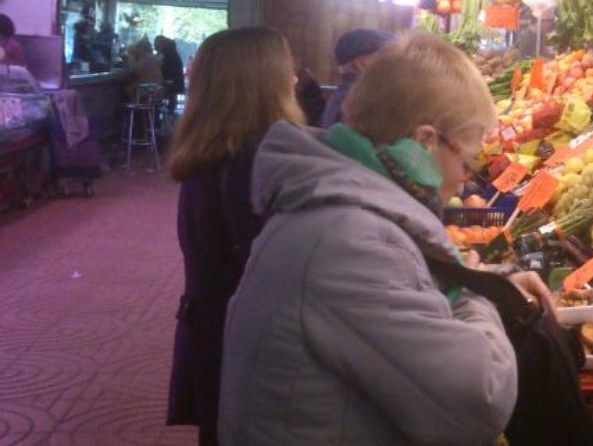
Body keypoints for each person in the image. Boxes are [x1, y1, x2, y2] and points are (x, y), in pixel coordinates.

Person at [220, 32, 546, 446]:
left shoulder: (339, 206)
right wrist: (479, 294)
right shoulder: (351, 242)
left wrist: (490, 280)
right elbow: (481, 398)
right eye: (465, 157)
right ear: (425, 141)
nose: (464, 178)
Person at [166, 27, 305, 446]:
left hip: (213, 327)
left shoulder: (213, 152)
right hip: (243, 342)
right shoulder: (255, 163)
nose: (296, 79)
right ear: (260, 84)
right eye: (287, 71)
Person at [318, 28, 393, 128]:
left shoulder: (343, 98)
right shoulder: (359, 104)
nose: (392, 65)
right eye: (385, 57)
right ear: (361, 63)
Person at [155, 36, 186, 114]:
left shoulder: (164, 55)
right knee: (172, 102)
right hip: (175, 82)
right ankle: (169, 116)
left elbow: (160, 67)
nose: (154, 46)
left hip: (167, 82)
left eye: (156, 44)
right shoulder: (174, 54)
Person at [294, 62, 326, 126]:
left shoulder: (313, 87)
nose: (302, 79)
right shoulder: (299, 88)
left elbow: (318, 103)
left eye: (304, 76)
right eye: (300, 77)